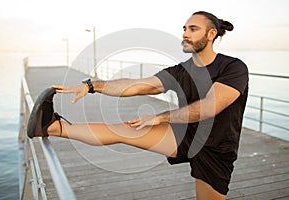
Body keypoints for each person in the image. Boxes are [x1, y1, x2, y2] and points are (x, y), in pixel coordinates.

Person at [28, 11, 248, 199]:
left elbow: (210, 106)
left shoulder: (233, 68)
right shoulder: (180, 71)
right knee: (125, 130)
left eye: (193, 29)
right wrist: (91, 85)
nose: (184, 34)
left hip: (216, 147)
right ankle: (52, 127)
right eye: (184, 28)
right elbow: (136, 86)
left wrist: (161, 117)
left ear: (211, 34)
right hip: (186, 135)